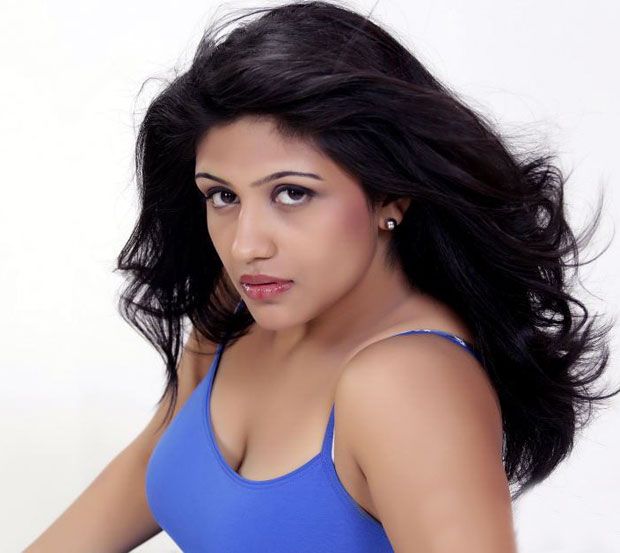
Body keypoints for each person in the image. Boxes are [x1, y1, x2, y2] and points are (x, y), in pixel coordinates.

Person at [25, 1, 618, 552]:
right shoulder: (236, 307)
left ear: (390, 195)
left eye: (292, 193)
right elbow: (156, 456)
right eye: (223, 196)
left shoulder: (410, 385)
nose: (246, 244)